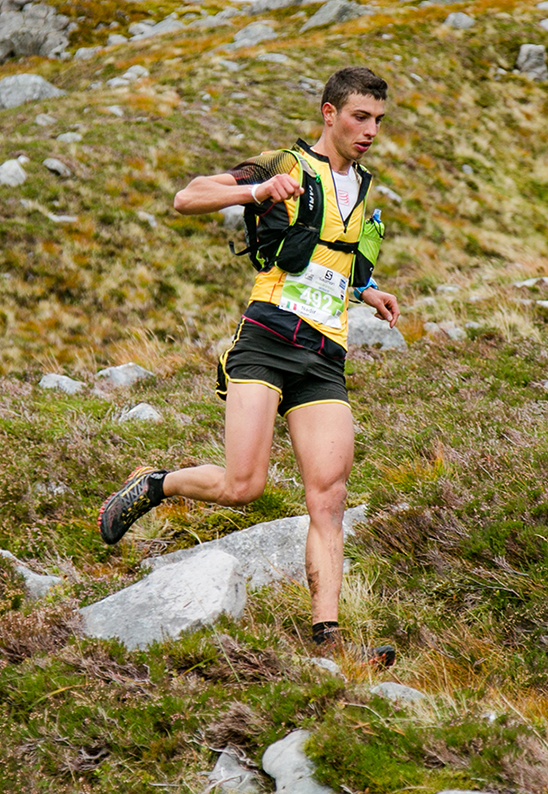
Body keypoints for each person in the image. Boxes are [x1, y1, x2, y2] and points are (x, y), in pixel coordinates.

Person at [98, 66, 400, 661]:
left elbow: (332, 253)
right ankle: (156, 484)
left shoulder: (362, 185)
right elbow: (188, 197)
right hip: (266, 338)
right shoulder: (283, 164)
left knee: (329, 498)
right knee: (245, 485)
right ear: (330, 113)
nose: (370, 131)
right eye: (360, 117)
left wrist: (368, 290)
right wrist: (256, 192)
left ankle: (329, 640)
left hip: (324, 354)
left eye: (378, 121)